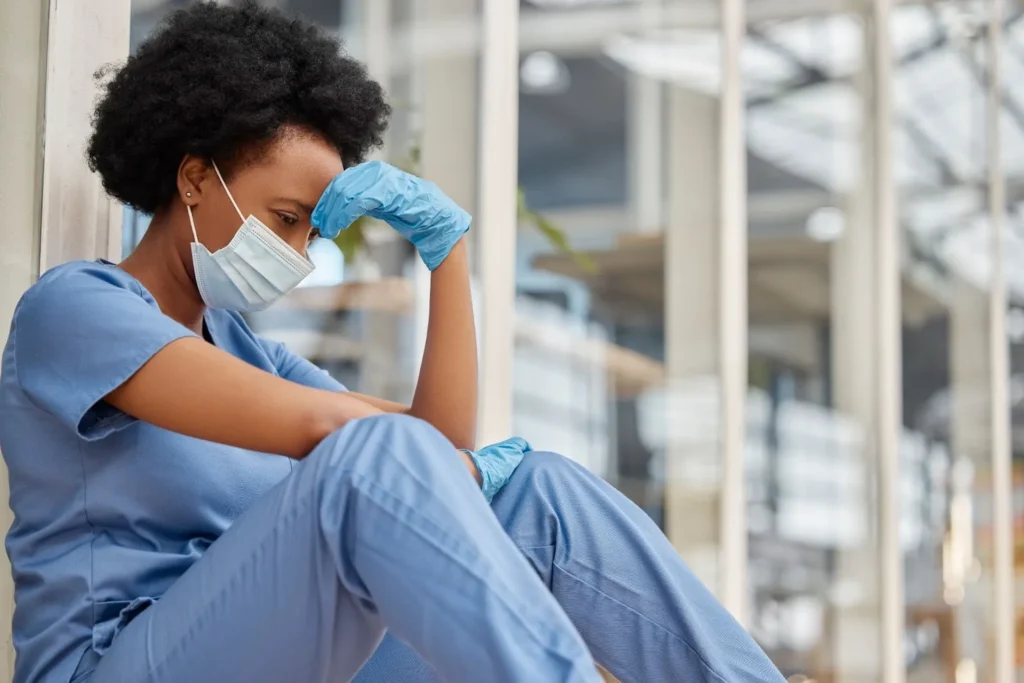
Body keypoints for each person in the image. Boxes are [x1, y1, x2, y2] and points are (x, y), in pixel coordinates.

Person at [0, 3, 784, 683]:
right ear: (196, 179)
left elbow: (436, 452)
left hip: (272, 655)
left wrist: (448, 254)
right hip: (121, 664)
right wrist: (440, 461)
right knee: (375, 452)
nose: (300, 251)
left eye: (311, 228)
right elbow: (368, 446)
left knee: (538, 493)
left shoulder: (245, 347)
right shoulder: (76, 309)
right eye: (284, 218)